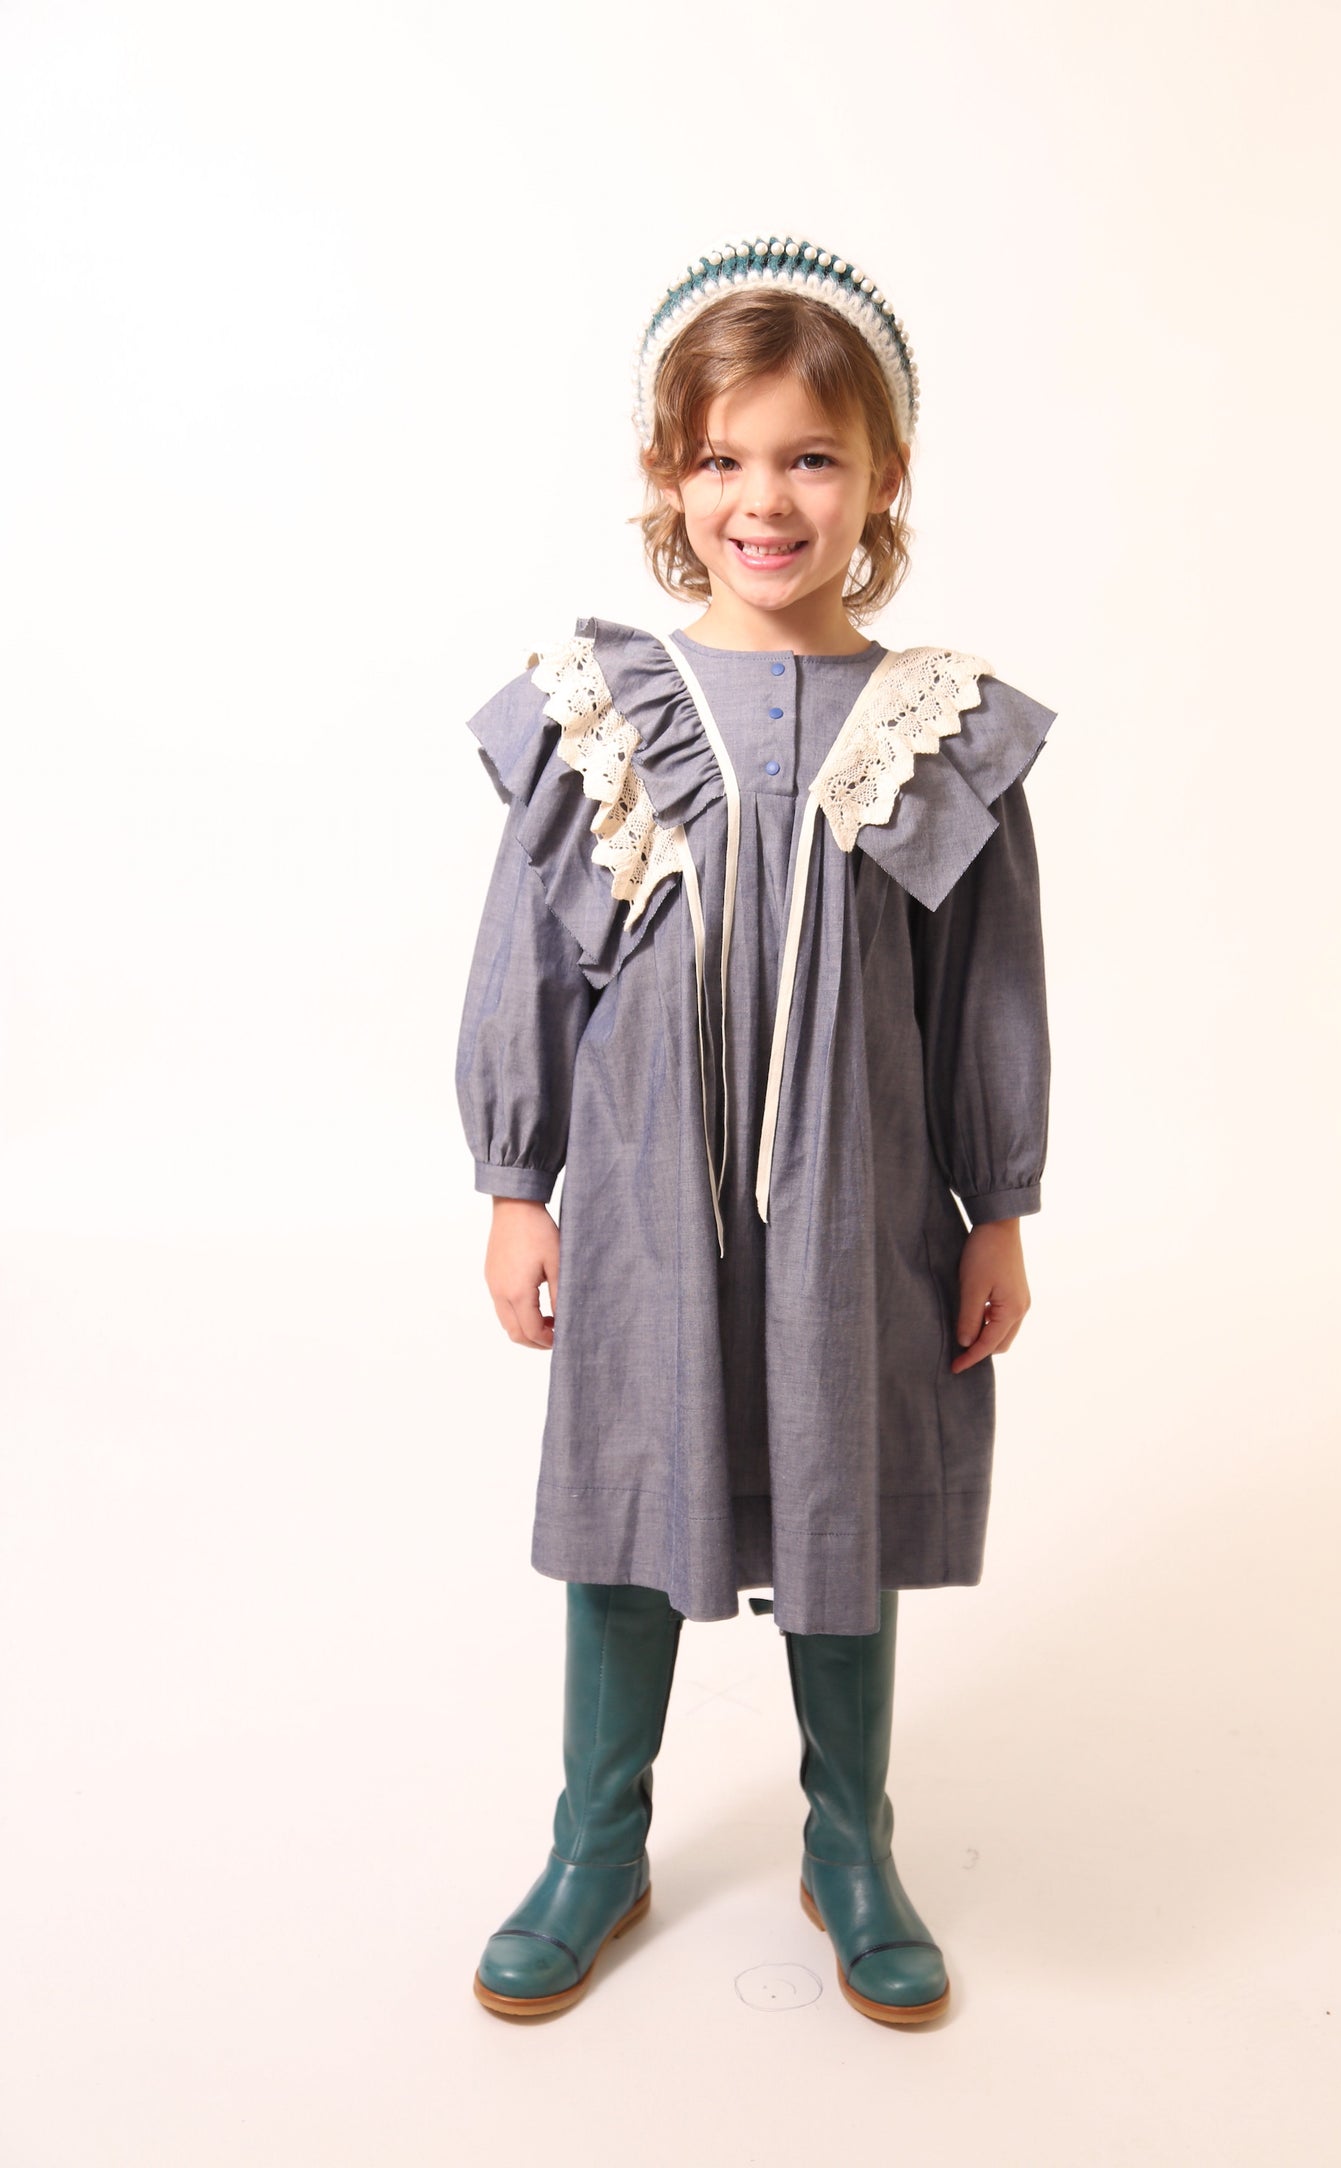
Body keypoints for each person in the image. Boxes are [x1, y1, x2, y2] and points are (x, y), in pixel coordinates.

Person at [455, 233, 1058, 2026]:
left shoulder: (935, 729)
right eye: (721, 459)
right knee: (629, 1490)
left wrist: (996, 1202)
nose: (763, 500)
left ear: (880, 475)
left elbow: (986, 989)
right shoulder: (602, 714)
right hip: (646, 1202)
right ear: (668, 475)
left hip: (856, 1204)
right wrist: (518, 1182)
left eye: (808, 457)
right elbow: (530, 954)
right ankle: (595, 1843)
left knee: (839, 1489)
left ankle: (849, 1842)